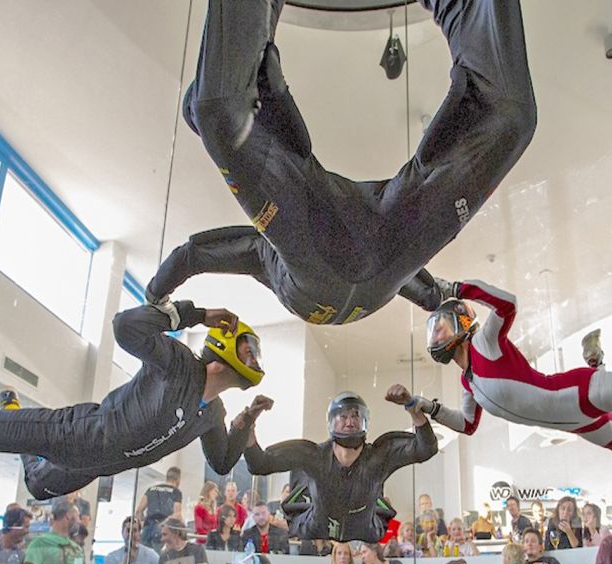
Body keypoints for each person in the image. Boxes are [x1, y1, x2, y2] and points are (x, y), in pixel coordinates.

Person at [148, 0, 536, 327]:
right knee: (509, 119)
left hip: (329, 260)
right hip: (386, 259)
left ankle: (227, 96)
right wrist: (443, 296)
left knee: (218, 113)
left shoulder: (263, 253)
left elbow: (194, 255)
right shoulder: (292, 241)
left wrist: (160, 302)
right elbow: (417, 286)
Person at [0, 285, 271, 499]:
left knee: (36, 487)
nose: (255, 358)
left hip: (90, 465)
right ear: (220, 349)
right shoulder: (178, 362)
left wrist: (248, 419)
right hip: (70, 434)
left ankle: (14, 410)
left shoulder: (211, 415)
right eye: (248, 348)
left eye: (257, 354)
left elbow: (221, 462)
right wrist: (197, 313)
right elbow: (126, 326)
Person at [391, 235, 612, 450]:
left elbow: (508, 304)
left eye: (440, 325)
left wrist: (454, 289)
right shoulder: (470, 383)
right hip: (574, 422)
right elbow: (467, 425)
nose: (434, 333)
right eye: (431, 329)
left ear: (462, 324)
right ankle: (597, 360)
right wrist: (422, 405)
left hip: (581, 392)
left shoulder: (485, 342)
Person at [243, 391, 436, 542]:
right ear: (331, 422)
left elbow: (426, 448)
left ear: (364, 421)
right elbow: (259, 464)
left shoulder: (378, 457)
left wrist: (412, 407)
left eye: (355, 416)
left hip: (368, 531)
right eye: (343, 417)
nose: (349, 422)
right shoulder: (314, 456)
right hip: (313, 528)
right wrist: (248, 423)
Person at [138, 467, 183, 550]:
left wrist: (142, 523)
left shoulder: (151, 489)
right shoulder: (176, 492)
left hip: (147, 527)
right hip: (162, 528)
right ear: (178, 479)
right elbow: (177, 514)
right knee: (155, 557)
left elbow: (139, 510)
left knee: (143, 554)